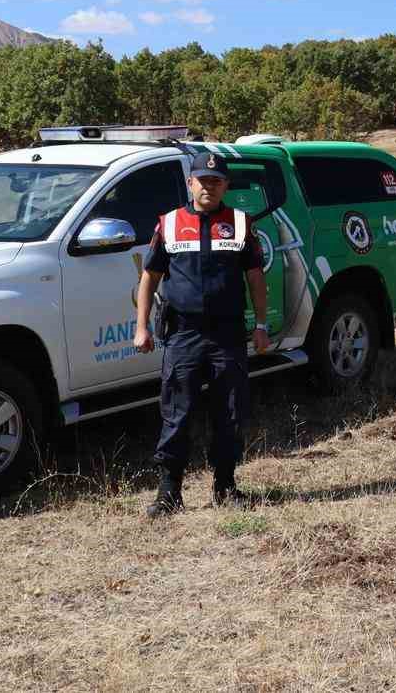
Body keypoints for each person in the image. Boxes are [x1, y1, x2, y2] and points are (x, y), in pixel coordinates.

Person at [133, 151, 270, 517]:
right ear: (190, 183)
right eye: (202, 181)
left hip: (228, 334)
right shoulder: (169, 224)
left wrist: (261, 325)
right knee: (177, 412)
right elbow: (149, 278)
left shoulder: (240, 223)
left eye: (216, 181)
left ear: (226, 185)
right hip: (184, 334)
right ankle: (169, 493)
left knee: (230, 411)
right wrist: (141, 326)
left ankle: (225, 486)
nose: (209, 187)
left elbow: (256, 277)